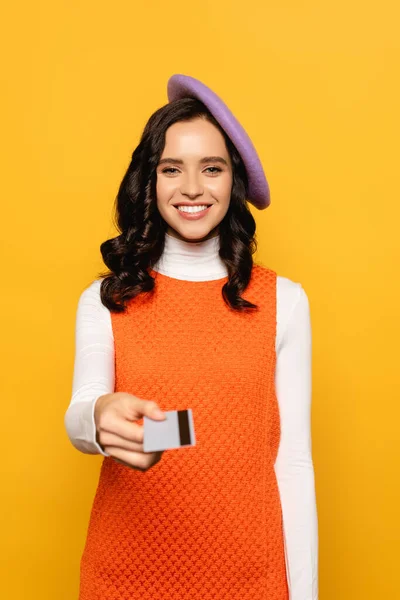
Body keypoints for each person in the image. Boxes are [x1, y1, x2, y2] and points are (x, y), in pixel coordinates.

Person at [65, 74, 319, 600]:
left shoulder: (285, 301)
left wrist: (305, 593)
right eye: (171, 169)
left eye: (212, 168)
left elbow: (288, 458)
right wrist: (98, 419)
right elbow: (85, 408)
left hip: (250, 579)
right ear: (149, 180)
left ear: (235, 181)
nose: (193, 188)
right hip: (127, 577)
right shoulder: (107, 299)